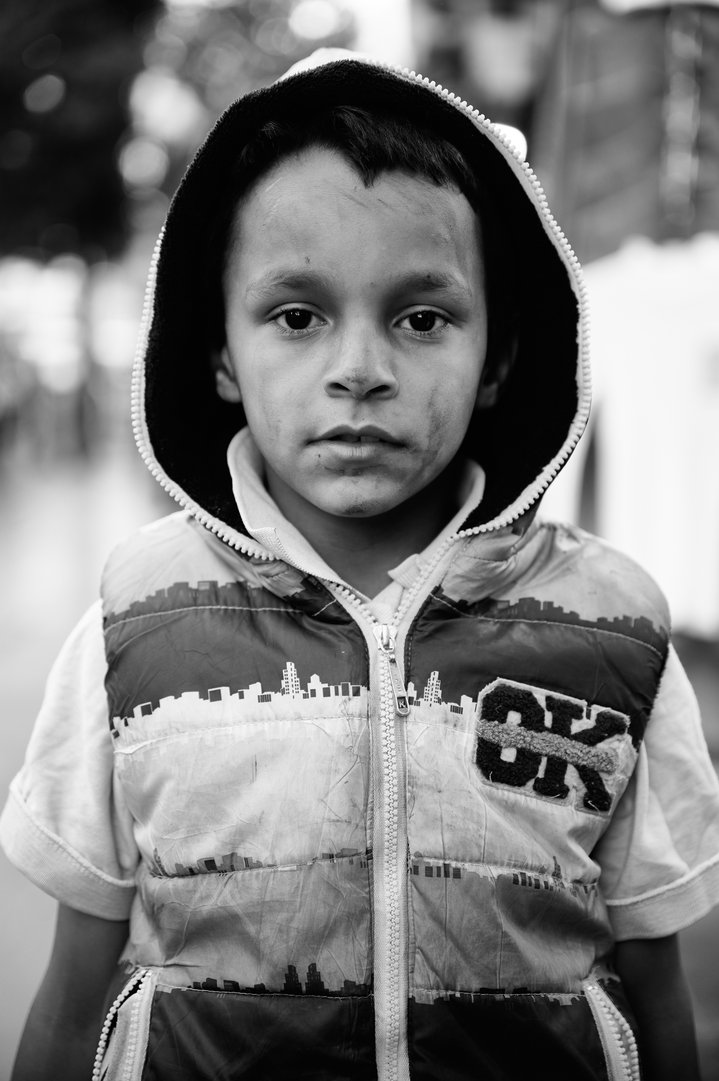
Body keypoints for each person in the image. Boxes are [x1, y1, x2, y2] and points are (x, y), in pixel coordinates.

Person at [2, 49, 719, 1081]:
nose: (357, 371)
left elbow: (657, 995)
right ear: (218, 354)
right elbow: (72, 1002)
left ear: (498, 358)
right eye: (296, 316)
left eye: (421, 318)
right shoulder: (133, 625)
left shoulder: (611, 630)